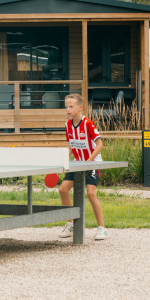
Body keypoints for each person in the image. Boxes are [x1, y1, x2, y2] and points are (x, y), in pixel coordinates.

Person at [58, 93, 108, 240]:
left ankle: (102, 228)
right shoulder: (68, 125)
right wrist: (64, 161)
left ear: (80, 107)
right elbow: (72, 147)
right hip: (78, 164)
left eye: (71, 106)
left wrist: (89, 162)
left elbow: (100, 145)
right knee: (63, 190)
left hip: (92, 162)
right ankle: (71, 224)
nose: (68, 109)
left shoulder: (88, 124)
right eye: (66, 106)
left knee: (91, 194)